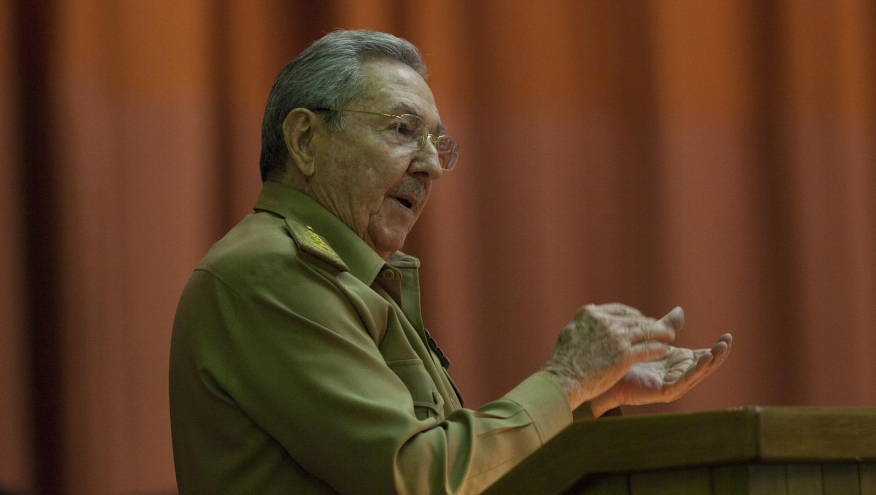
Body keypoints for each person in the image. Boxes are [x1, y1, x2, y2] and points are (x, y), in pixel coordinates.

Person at [169, 29, 732, 494]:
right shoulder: (270, 271)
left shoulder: (350, 276)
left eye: (437, 143)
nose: (431, 166)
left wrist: (592, 392)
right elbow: (419, 478)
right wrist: (563, 381)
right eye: (403, 130)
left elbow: (459, 474)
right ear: (307, 140)